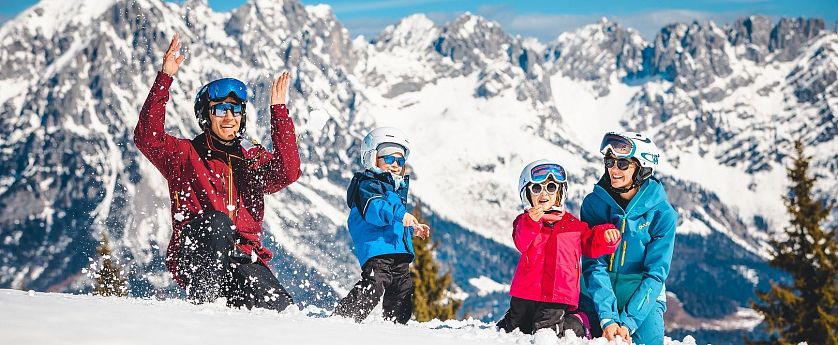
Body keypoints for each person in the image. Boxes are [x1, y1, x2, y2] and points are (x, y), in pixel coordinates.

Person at [133, 33, 301, 311]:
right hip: (197, 253)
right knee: (217, 222)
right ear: (206, 116)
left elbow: (288, 171)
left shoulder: (251, 159)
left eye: (235, 110)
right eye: (220, 109)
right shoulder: (185, 156)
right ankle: (204, 313)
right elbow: (147, 138)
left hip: (242, 259)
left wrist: (279, 112)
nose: (229, 117)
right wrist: (165, 78)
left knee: (282, 311)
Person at [497, 159, 621, 337]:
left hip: (557, 294)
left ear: (560, 192)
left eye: (551, 188)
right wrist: (531, 222)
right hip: (526, 291)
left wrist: (606, 236)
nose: (544, 193)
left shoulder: (572, 225)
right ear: (527, 193)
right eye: (537, 188)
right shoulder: (524, 222)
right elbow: (521, 242)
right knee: (512, 329)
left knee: (545, 332)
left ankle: (578, 323)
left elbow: (591, 243)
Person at [579, 132, 678, 345]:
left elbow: (655, 275)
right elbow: (594, 264)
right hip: (596, 292)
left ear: (642, 169)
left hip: (642, 294)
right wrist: (608, 317)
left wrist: (628, 322)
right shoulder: (594, 204)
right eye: (609, 161)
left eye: (623, 164)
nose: (613, 170)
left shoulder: (662, 214)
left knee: (649, 341)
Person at [332, 127, 430, 324]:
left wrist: (411, 229)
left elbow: (393, 223)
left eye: (400, 161)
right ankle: (344, 318)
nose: (395, 165)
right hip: (377, 249)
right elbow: (376, 210)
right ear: (372, 157)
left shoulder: (395, 189)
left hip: (396, 250)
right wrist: (401, 215)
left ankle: (395, 326)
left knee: (402, 288)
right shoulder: (368, 185)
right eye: (388, 158)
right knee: (375, 284)